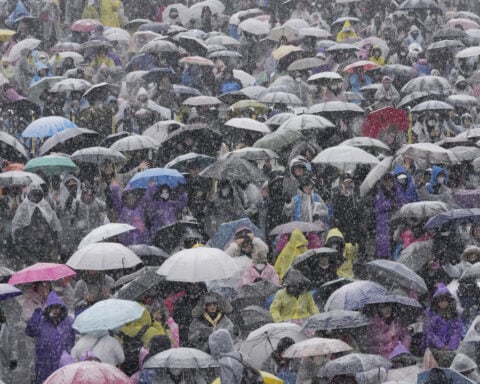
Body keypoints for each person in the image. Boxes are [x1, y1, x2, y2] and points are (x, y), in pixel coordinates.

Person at [26, 291, 75, 384]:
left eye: (57, 307)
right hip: (44, 364)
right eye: (52, 307)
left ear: (61, 308)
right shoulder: (41, 321)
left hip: (64, 364)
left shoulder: (69, 321)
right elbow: (29, 331)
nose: (55, 310)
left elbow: (74, 339)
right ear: (48, 308)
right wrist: (37, 313)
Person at [12, 183, 62, 266]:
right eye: (33, 194)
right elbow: (17, 229)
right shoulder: (23, 208)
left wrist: (54, 245)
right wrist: (22, 249)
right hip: (28, 248)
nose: (36, 197)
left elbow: (55, 226)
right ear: (29, 195)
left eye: (38, 195)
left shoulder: (45, 206)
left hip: (46, 247)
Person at [423, 284, 462, 353]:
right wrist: (440, 345)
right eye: (440, 301)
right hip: (433, 348)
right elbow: (428, 331)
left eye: (445, 300)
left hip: (450, 348)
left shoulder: (454, 313)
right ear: (436, 302)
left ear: (449, 301)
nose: (442, 303)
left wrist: (451, 346)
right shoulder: (430, 313)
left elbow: (457, 331)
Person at [374, 173, 396, 259]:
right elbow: (379, 206)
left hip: (391, 219)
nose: (390, 183)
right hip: (383, 220)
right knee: (383, 242)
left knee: (391, 240)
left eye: (391, 181)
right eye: (388, 181)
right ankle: (383, 257)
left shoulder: (393, 191)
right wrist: (390, 203)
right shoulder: (381, 192)